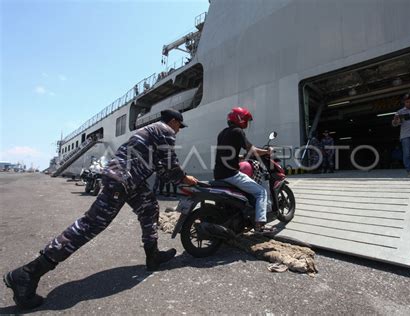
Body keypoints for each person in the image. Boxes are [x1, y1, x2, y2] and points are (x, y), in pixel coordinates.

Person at [3, 109, 198, 309]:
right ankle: (27, 273)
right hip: (122, 180)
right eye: (179, 126)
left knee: (149, 208)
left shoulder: (150, 131)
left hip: (131, 181)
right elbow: (169, 165)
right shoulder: (164, 130)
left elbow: (162, 169)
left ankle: (152, 254)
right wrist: (184, 179)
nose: (178, 131)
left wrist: (176, 178)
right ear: (173, 121)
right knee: (90, 225)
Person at [213, 107, 273, 232]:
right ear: (240, 119)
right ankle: (260, 223)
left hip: (219, 173)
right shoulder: (238, 131)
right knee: (261, 192)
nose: (247, 122)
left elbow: (227, 152)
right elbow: (252, 150)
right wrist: (267, 151)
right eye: (246, 119)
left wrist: (240, 157)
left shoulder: (222, 133)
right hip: (230, 174)